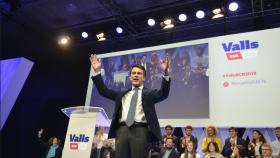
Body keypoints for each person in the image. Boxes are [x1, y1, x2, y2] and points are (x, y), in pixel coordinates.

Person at [89, 53, 171, 158]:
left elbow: (163, 93)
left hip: (140, 131)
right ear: (130, 77)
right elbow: (103, 91)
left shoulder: (149, 93)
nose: (136, 75)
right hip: (122, 131)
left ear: (144, 78)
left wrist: (165, 72)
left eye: (139, 73)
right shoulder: (121, 93)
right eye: (133, 73)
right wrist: (96, 71)